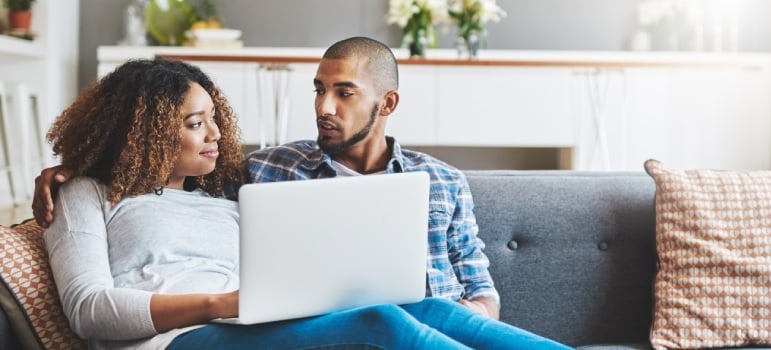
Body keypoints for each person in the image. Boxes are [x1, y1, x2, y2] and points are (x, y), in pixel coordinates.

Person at [35, 39, 571, 349]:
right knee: (381, 322)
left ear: (387, 104)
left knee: (426, 305)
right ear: (146, 132)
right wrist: (230, 303)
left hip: (255, 323)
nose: (218, 135)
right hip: (180, 340)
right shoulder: (84, 194)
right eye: (197, 124)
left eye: (214, 121)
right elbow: (89, 310)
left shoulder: (222, 190)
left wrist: (258, 304)